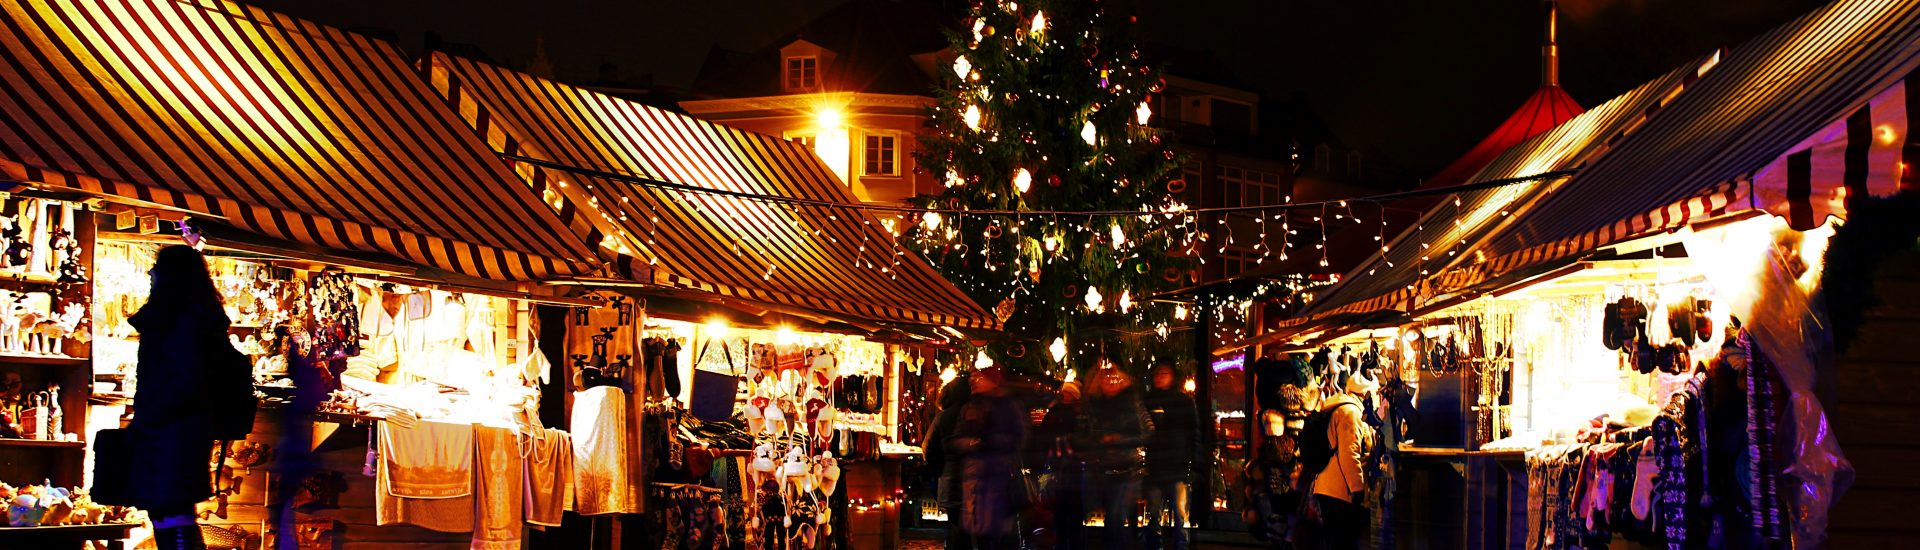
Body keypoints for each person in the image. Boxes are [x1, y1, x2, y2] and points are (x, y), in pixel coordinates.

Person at [126, 245, 231, 550]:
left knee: (171, 507)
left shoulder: (182, 319)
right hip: (179, 424)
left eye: (157, 266)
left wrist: (153, 418)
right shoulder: (194, 316)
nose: (151, 272)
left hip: (171, 425)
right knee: (169, 508)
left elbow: (184, 375)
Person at [950, 367, 1027, 550]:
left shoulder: (1007, 407)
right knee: (982, 534)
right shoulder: (971, 407)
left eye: (980, 378)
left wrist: (989, 442)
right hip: (975, 479)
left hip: (996, 478)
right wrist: (970, 443)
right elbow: (957, 438)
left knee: (994, 533)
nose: (975, 382)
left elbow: (1017, 438)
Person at [1078, 366, 1151, 549]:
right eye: (1105, 377)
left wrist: (1120, 440)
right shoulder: (1094, 405)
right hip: (1099, 469)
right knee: (1104, 519)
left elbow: (1148, 432)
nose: (1110, 382)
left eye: (1114, 378)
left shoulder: (1132, 404)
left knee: (1116, 520)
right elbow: (1083, 432)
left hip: (1125, 469)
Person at [1306, 372, 1378, 550]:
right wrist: (1357, 488)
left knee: (1334, 541)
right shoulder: (1350, 413)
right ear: (1365, 394)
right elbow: (1349, 453)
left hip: (1331, 487)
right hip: (1339, 490)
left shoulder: (1342, 409)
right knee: (1341, 542)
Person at [1142, 363, 1199, 550]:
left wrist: (1193, 459)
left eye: (1164, 373)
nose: (1160, 377)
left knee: (1180, 513)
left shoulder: (1183, 402)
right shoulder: (1148, 401)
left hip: (1177, 466)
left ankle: (1180, 546)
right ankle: (1156, 546)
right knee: (1154, 514)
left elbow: (1194, 432)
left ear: (1173, 376)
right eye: (1157, 373)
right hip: (1157, 467)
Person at [922, 376, 973, 550]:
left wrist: (938, 471)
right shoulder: (978, 414)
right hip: (977, 484)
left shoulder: (943, 418)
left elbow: (928, 449)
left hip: (951, 483)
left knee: (957, 530)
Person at [1033, 381, 1085, 549]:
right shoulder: (1055, 412)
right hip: (1057, 469)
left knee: (1073, 514)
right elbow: (1042, 437)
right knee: (1060, 513)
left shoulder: (1081, 412)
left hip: (1074, 469)